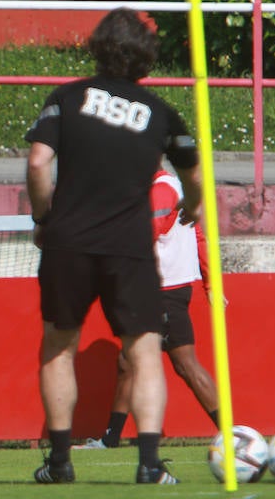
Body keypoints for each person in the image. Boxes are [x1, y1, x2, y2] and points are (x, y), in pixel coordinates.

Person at [25, 6, 201, 485]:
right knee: (144, 352)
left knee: (59, 347)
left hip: (69, 242)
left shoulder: (66, 97)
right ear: (146, 58)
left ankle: (60, 462)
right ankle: (148, 465)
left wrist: (43, 218)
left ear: (97, 47)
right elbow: (195, 173)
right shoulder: (162, 114)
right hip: (129, 247)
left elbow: (39, 163)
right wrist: (196, 205)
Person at [82, 168, 219, 448]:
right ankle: (110, 438)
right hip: (165, 289)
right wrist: (209, 283)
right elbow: (199, 236)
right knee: (127, 363)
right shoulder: (170, 187)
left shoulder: (160, 190)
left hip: (162, 291)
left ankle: (234, 434)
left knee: (185, 365)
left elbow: (143, 237)